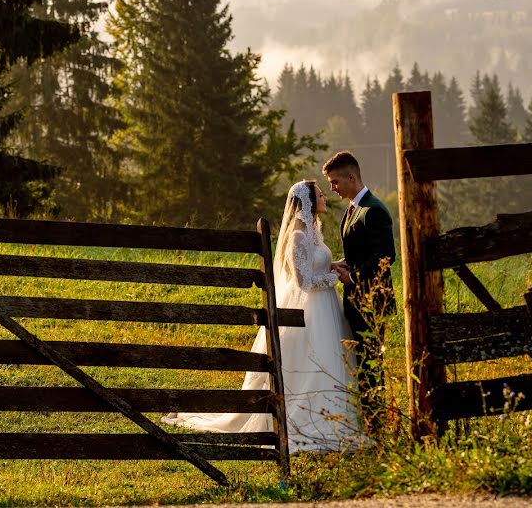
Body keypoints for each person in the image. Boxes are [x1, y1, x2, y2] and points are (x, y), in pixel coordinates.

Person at [162, 180, 365, 452]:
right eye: (319, 195)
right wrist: (334, 278)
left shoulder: (314, 232)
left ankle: (336, 418)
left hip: (325, 307)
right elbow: (303, 280)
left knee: (330, 359)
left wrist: (334, 265)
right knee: (312, 361)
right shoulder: (297, 236)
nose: (324, 198)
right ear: (306, 202)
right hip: (309, 309)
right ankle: (308, 421)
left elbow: (315, 262)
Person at [323, 151, 396, 431]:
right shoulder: (353, 209)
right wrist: (343, 265)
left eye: (335, 181)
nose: (333, 188)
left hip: (372, 302)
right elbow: (360, 251)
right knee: (362, 363)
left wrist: (353, 277)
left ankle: (375, 426)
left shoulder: (373, 210)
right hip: (355, 300)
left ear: (351, 177)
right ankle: (368, 422)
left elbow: (385, 257)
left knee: (371, 365)